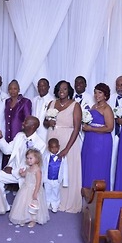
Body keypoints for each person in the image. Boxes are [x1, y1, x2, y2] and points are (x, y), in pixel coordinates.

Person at [44, 80, 82, 213]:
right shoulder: (51, 103)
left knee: (67, 170)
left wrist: (66, 148)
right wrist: (49, 122)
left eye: (65, 89)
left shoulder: (75, 105)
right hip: (52, 138)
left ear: (69, 90)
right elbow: (44, 122)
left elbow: (77, 128)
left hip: (68, 140)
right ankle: (51, 200)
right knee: (50, 170)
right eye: (60, 88)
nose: (62, 91)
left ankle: (66, 201)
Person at [0, 116, 46, 208]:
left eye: (25, 122)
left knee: (25, 206)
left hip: (28, 176)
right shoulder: (19, 135)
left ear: (32, 126)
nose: (22, 123)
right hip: (13, 170)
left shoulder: (40, 144)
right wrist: (0, 137)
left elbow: (33, 168)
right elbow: (7, 150)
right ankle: (3, 205)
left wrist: (13, 171)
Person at [81, 83, 114, 188]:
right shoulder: (94, 106)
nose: (97, 95)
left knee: (98, 166)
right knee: (88, 164)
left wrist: (91, 129)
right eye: (95, 92)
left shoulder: (107, 109)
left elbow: (110, 128)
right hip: (90, 140)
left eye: (100, 92)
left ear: (105, 95)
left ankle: (99, 196)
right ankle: (87, 194)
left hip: (101, 141)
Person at [9, 149, 49, 228]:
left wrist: (35, 193)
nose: (28, 160)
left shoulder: (38, 170)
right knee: (23, 204)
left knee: (33, 205)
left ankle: (33, 220)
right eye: (27, 158)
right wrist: (21, 172)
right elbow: (25, 175)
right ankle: (23, 218)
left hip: (34, 189)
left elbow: (38, 183)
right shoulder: (28, 168)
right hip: (26, 188)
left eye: (31, 158)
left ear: (37, 159)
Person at [3, 79, 32, 167]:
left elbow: (28, 120)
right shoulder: (7, 102)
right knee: (7, 158)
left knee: (18, 161)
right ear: (8, 90)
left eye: (15, 88)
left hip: (19, 136)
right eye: (10, 89)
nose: (12, 91)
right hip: (7, 136)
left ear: (19, 90)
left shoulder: (25, 102)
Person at [108, 76, 122, 190]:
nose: (120, 87)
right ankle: (111, 188)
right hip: (113, 134)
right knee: (112, 161)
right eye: (118, 85)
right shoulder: (110, 99)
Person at [42, 138, 68, 213]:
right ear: (49, 148)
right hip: (47, 179)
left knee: (56, 192)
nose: (54, 149)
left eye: (56, 147)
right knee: (47, 191)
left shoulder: (62, 157)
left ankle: (55, 204)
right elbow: (43, 167)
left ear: (59, 147)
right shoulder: (46, 156)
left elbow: (65, 169)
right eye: (52, 148)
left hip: (57, 179)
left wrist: (65, 181)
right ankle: (46, 203)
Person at [31, 78, 54, 142]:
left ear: (48, 87)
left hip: (45, 133)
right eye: (39, 86)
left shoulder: (53, 101)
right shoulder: (34, 100)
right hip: (34, 133)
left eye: (43, 86)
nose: (41, 88)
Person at [73, 76, 94, 143]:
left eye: (81, 83)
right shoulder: (70, 97)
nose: (78, 85)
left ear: (85, 85)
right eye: (76, 83)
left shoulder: (91, 98)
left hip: (84, 131)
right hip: (71, 129)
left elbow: (93, 114)